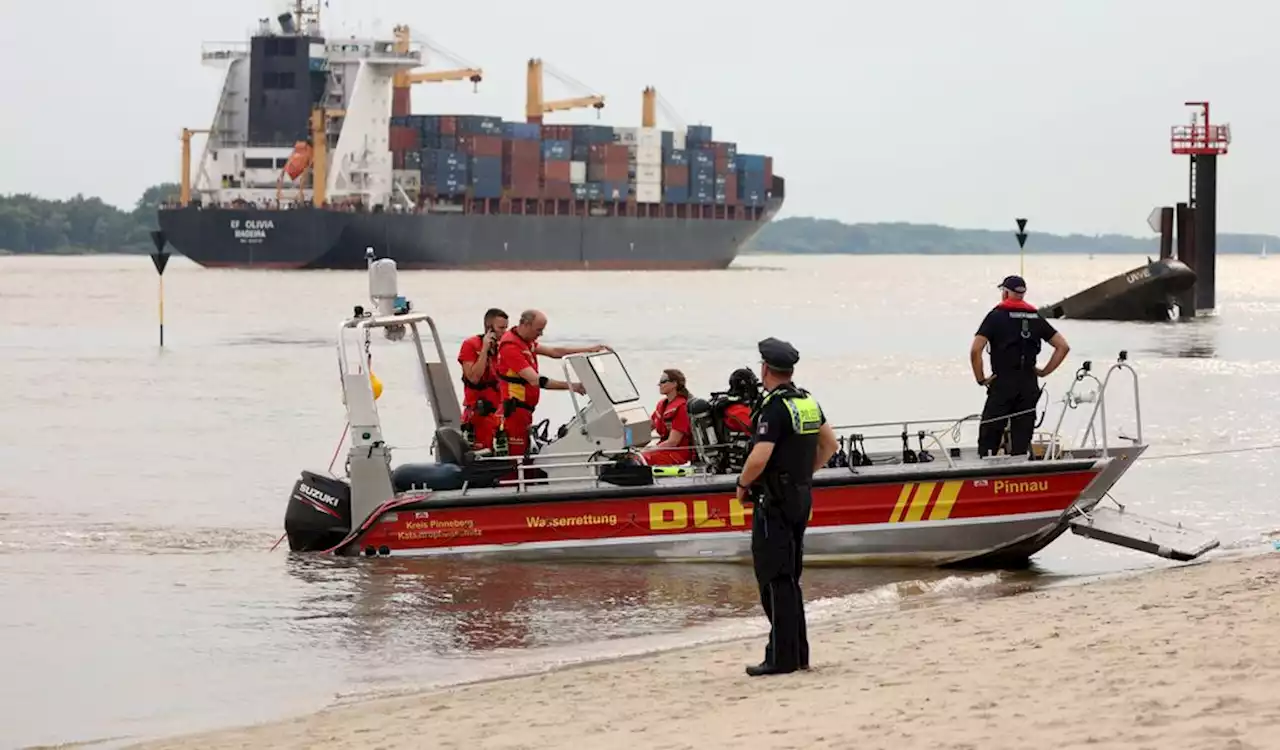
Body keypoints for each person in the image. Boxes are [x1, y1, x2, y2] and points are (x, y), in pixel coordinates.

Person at [734, 337, 839, 676]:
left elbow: (759, 456)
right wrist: (804, 474)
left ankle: (780, 658)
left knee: (774, 579)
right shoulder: (806, 401)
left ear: (765, 369)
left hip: (774, 501)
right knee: (791, 578)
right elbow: (830, 444)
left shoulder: (774, 407)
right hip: (800, 497)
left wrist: (742, 485)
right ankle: (798, 654)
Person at [970, 275, 1071, 457]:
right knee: (1022, 438)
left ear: (1006, 293)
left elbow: (976, 350)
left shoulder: (996, 316)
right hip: (1028, 384)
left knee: (990, 435)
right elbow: (1063, 347)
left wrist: (981, 379)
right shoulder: (1035, 316)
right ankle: (1020, 469)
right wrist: (1043, 372)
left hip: (1003, 383)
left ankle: (986, 469)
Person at [496, 309, 610, 457]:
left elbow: (555, 352)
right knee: (517, 458)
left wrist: (590, 350)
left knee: (526, 451)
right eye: (539, 330)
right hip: (514, 410)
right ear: (526, 325)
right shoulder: (510, 347)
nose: (541, 334)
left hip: (525, 410)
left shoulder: (525, 341)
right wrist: (572, 386)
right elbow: (536, 380)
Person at [456, 308, 508, 450]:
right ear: (489, 328)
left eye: (506, 328)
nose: (504, 333)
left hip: (499, 414)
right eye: (501, 328)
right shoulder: (470, 345)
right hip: (478, 415)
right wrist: (485, 350)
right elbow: (473, 377)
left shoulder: (504, 348)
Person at [641, 369, 693, 466]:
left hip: (678, 453)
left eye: (663, 381)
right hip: (663, 449)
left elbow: (673, 442)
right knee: (633, 457)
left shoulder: (681, 407)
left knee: (640, 460)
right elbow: (648, 427)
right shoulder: (662, 405)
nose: (659, 384)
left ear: (674, 384)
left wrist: (646, 451)